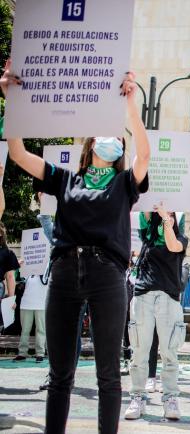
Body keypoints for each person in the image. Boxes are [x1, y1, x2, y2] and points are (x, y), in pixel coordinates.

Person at [2, 60, 150, 434]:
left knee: (107, 374)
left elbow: (144, 156)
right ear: (90, 145)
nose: (113, 140)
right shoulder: (65, 179)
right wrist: (11, 103)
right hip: (66, 274)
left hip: (107, 276)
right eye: (106, 134)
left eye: (118, 137)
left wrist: (131, 104)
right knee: (60, 374)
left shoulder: (124, 185)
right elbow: (19, 156)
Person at [124, 208, 188, 421]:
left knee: (169, 353)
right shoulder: (146, 235)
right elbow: (143, 208)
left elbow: (172, 245)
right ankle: (138, 397)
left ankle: (170, 398)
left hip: (169, 297)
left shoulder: (180, 238)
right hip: (143, 296)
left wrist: (166, 220)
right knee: (140, 351)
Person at [15, 272, 48, 362]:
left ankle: (40, 353)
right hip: (26, 303)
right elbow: (18, 280)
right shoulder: (28, 268)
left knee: (41, 330)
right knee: (24, 330)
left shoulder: (48, 268)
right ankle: (22, 353)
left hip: (41, 304)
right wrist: (19, 268)